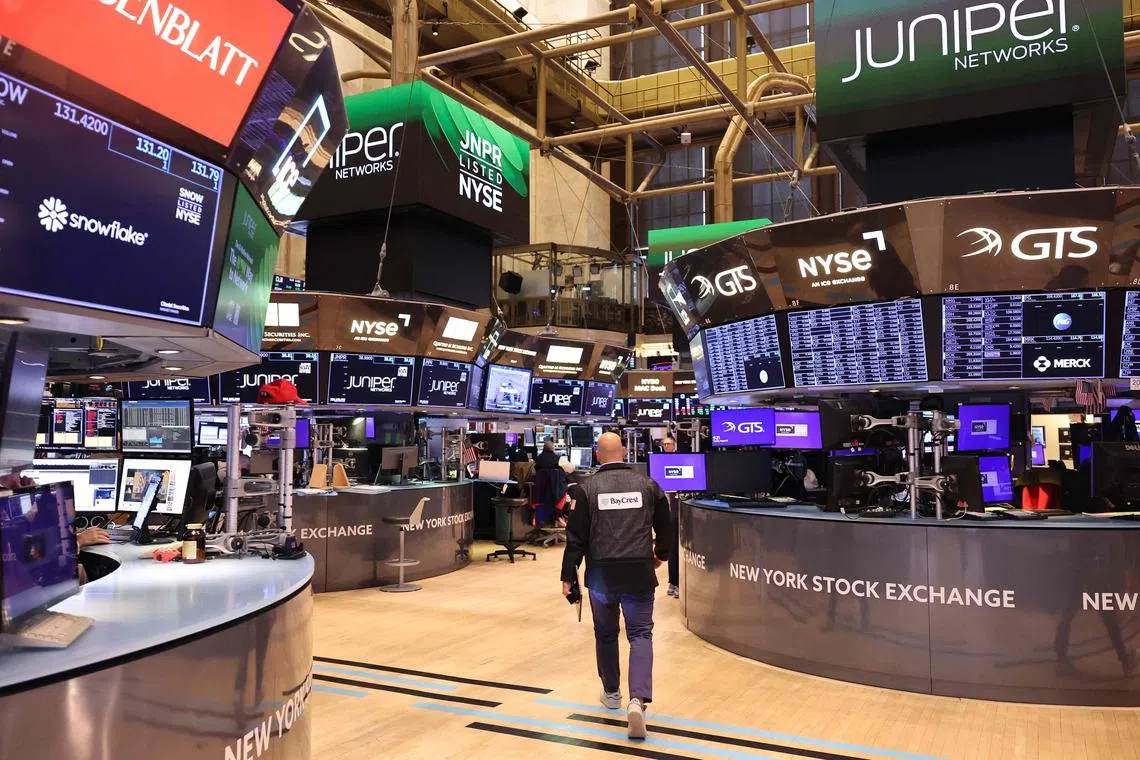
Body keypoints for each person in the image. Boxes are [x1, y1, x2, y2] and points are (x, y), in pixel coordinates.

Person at [561, 432, 672, 740]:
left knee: (606, 634)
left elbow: (576, 539)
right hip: (639, 572)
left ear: (598, 456)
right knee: (640, 634)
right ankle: (638, 700)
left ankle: (612, 693)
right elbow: (666, 527)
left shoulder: (585, 490)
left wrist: (568, 576)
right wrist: (659, 555)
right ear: (624, 452)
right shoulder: (649, 486)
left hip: (600, 576)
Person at [660, 436, 680, 599]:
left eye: (669, 444)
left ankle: (678, 582)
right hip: (668, 513)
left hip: (679, 508)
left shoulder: (682, 459)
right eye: (664, 444)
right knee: (672, 548)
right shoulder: (658, 462)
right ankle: (673, 583)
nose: (667, 446)